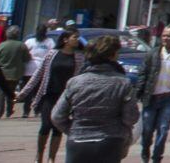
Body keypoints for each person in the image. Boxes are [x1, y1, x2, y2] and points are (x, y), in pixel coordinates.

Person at [50, 32, 139, 163]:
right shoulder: (123, 83)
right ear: (113, 55)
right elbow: (131, 117)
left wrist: (73, 130)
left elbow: (57, 116)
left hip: (77, 143)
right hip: (110, 142)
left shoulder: (75, 82)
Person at [25, 26, 81, 163]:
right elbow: (39, 74)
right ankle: (39, 156)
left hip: (66, 97)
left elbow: (79, 77)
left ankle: (52, 158)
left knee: (57, 127)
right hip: (49, 94)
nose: (77, 40)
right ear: (65, 39)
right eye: (75, 37)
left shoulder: (79, 57)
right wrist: (23, 92)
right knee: (46, 125)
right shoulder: (52, 54)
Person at [132, 23, 170, 163]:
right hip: (151, 97)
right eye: (164, 35)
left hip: (168, 98)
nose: (165, 38)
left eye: (169, 36)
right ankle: (145, 152)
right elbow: (143, 73)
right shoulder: (153, 53)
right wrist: (138, 93)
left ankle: (157, 157)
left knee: (163, 129)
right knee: (147, 130)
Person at [0, 21, 28, 118]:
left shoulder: (2, 45)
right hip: (15, 74)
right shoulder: (22, 45)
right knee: (11, 93)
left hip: (2, 73)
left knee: (0, 94)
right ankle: (9, 110)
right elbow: (27, 58)